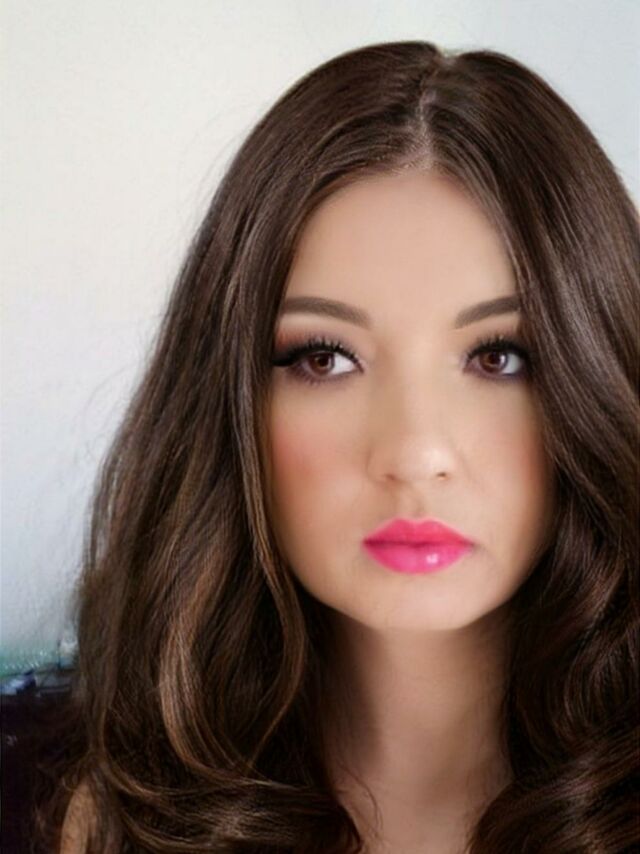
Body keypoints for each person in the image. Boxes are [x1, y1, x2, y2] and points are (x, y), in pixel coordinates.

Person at [38, 40, 638, 853]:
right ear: (230, 403)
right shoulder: (105, 821)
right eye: (325, 359)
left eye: (499, 357)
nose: (415, 453)